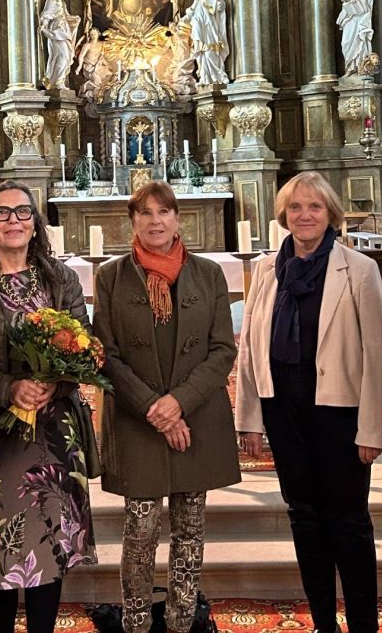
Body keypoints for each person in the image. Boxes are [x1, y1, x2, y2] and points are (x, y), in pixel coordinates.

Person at [234, 172, 382, 633]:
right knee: (304, 517)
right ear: (284, 215)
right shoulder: (266, 269)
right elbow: (250, 349)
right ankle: (323, 622)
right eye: (296, 208)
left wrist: (371, 428)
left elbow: (377, 354)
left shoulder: (358, 269)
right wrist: (250, 419)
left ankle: (363, 624)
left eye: (314, 207)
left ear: (330, 215)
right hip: (283, 409)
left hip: (339, 413)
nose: (304, 215)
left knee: (349, 522)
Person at [0, 180, 98, 633]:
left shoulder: (60, 277)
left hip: (52, 436)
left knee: (47, 546)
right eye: (2, 213)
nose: (13, 221)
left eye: (22, 212)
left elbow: (86, 348)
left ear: (35, 223)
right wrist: (9, 389)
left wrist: (56, 380)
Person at [93, 181, 240, 633]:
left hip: (196, 420)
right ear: (132, 221)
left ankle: (180, 622)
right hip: (139, 422)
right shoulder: (111, 277)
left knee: (190, 528)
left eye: (164, 212)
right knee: (140, 531)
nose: (155, 221)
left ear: (178, 218)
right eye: (145, 213)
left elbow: (222, 351)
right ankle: (136, 622)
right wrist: (155, 409)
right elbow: (107, 353)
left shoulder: (209, 275)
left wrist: (177, 404)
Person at [181, 0, 230, 86]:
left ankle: (218, 75)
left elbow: (216, 9)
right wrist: (183, 20)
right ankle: (204, 77)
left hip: (209, 29)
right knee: (200, 54)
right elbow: (191, 12)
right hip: (198, 30)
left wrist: (218, 0)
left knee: (210, 52)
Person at [40, 0, 80, 90]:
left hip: (63, 32)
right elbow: (46, 15)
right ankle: (57, 81)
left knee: (66, 56)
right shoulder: (51, 1)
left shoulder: (62, 2)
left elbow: (66, 16)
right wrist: (43, 26)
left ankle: (60, 80)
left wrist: (75, 19)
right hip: (55, 32)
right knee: (62, 56)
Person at [337, 0, 375, 76]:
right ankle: (349, 68)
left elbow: (369, 0)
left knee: (360, 39)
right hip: (349, 16)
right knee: (345, 42)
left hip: (361, 17)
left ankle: (361, 68)